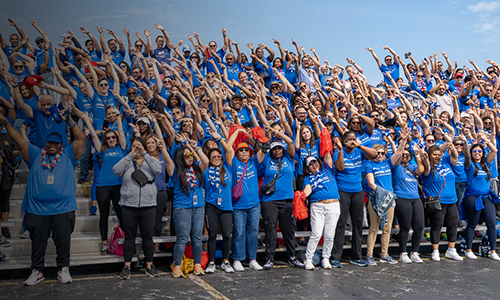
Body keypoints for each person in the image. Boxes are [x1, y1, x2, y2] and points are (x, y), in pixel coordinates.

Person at [0, 111, 84, 285]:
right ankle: (37, 271)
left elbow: (80, 140)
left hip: (63, 208)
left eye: (55, 143)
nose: (52, 145)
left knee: (63, 240)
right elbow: (20, 140)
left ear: (61, 144)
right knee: (37, 242)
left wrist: (70, 122)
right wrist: (6, 123)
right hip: (37, 209)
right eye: (49, 142)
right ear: (45, 143)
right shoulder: (36, 154)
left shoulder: (68, 155)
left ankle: (63, 269)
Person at [113, 136, 164, 279]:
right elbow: (116, 171)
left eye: (139, 146)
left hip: (148, 204)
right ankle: (127, 266)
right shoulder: (127, 161)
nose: (137, 149)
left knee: (148, 236)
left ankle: (149, 265)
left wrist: (146, 154)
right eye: (134, 146)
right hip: (129, 204)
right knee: (129, 236)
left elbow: (158, 170)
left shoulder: (150, 160)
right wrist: (130, 155)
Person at [81, 109, 126, 255]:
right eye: (108, 138)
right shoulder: (102, 150)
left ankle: (123, 240)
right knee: (104, 215)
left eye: (113, 137)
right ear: (105, 140)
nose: (111, 139)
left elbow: (120, 130)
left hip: (119, 186)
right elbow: (94, 134)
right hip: (103, 187)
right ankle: (105, 244)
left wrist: (118, 116)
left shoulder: (122, 148)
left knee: (121, 215)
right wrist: (87, 120)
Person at [257, 131, 304, 269]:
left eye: (279, 148)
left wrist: (277, 134)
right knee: (270, 229)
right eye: (274, 149)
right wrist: (265, 145)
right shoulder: (267, 159)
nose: (277, 151)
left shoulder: (289, 158)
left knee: (288, 230)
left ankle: (292, 257)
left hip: (287, 200)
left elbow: (290, 143)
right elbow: (258, 159)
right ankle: (269, 258)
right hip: (269, 201)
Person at [332, 131, 377, 267]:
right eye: (349, 139)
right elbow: (340, 168)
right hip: (342, 191)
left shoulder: (359, 151)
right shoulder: (338, 152)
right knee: (340, 224)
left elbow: (374, 155)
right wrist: (340, 149)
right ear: (344, 140)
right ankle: (335, 257)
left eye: (353, 139)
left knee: (358, 224)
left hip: (357, 191)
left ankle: (356, 256)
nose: (351, 141)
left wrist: (359, 146)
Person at [364, 128, 408, 266]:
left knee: (387, 228)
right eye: (377, 153)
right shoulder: (369, 165)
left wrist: (404, 139)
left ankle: (384, 254)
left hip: (389, 199)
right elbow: (371, 184)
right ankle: (369, 255)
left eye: (383, 153)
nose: (380, 155)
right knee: (374, 228)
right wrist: (385, 194)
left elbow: (399, 152)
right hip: (376, 198)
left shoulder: (387, 163)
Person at [165, 142, 209, 277]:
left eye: (191, 155)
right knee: (182, 238)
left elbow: (206, 161)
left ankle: (197, 264)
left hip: (198, 207)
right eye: (187, 156)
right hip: (182, 208)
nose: (190, 157)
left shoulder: (196, 168)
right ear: (180, 157)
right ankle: (177, 265)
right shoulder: (176, 169)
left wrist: (195, 149)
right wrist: (162, 146)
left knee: (197, 238)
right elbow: (167, 159)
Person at [302, 137, 344, 270]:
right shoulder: (308, 178)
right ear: (308, 168)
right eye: (310, 164)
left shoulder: (327, 169)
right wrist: (301, 196)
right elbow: (307, 190)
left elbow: (327, 153)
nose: (314, 165)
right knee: (316, 233)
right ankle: (308, 259)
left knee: (330, 234)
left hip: (333, 205)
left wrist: (325, 135)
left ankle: (326, 258)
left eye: (315, 162)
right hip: (318, 206)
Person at [421, 144, 463, 262]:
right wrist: (424, 157)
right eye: (434, 155)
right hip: (438, 201)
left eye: (439, 155)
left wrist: (450, 142)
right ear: (429, 156)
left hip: (452, 200)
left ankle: (451, 249)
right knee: (437, 225)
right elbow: (426, 164)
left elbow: (454, 154)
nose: (437, 157)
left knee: (453, 224)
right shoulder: (428, 167)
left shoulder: (445, 161)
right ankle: (435, 250)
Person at [462, 135, 500, 260]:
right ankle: (468, 249)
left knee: (491, 223)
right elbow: (467, 155)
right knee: (472, 223)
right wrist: (466, 142)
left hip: (486, 196)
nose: (477, 153)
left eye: (479, 151)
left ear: (482, 153)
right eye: (475, 151)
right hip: (472, 196)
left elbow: (494, 151)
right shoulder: (470, 164)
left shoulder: (486, 164)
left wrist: (487, 141)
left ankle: (493, 251)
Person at [203, 132, 235, 273]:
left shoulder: (227, 168)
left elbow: (228, 150)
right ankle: (211, 262)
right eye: (213, 157)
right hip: (211, 206)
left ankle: (225, 261)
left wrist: (219, 138)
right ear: (209, 159)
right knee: (212, 235)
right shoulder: (206, 170)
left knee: (227, 235)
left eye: (218, 156)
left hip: (226, 207)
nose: (216, 158)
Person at [392, 148, 425, 264]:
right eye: (403, 154)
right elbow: (396, 159)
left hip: (415, 198)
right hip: (402, 197)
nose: (405, 156)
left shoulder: (412, 167)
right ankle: (403, 253)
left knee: (419, 226)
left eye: (407, 154)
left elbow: (421, 170)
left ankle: (415, 253)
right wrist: (398, 152)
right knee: (405, 227)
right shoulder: (397, 167)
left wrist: (417, 156)